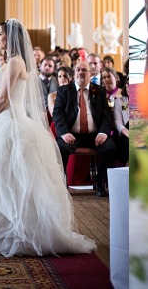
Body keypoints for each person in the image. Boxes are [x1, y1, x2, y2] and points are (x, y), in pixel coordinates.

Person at [0, 19, 95, 257]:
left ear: (11, 37)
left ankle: (20, 228)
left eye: (0, 34)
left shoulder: (15, 62)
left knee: (15, 177)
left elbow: (3, 98)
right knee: (1, 175)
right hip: (8, 120)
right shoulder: (12, 61)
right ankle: (1, 227)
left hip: (12, 120)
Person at [52, 59, 116, 197]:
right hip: (71, 134)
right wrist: (64, 133)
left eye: (84, 70)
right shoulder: (64, 91)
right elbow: (57, 114)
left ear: (90, 74)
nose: (81, 72)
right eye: (78, 70)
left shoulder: (99, 90)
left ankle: (99, 182)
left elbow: (107, 115)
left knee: (109, 147)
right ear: (74, 73)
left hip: (95, 135)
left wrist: (103, 133)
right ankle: (62, 184)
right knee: (60, 148)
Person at [101, 67, 129, 165]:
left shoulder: (123, 95)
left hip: (120, 127)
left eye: (109, 76)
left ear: (116, 78)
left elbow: (125, 114)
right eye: (104, 77)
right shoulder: (101, 95)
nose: (106, 79)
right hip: (109, 128)